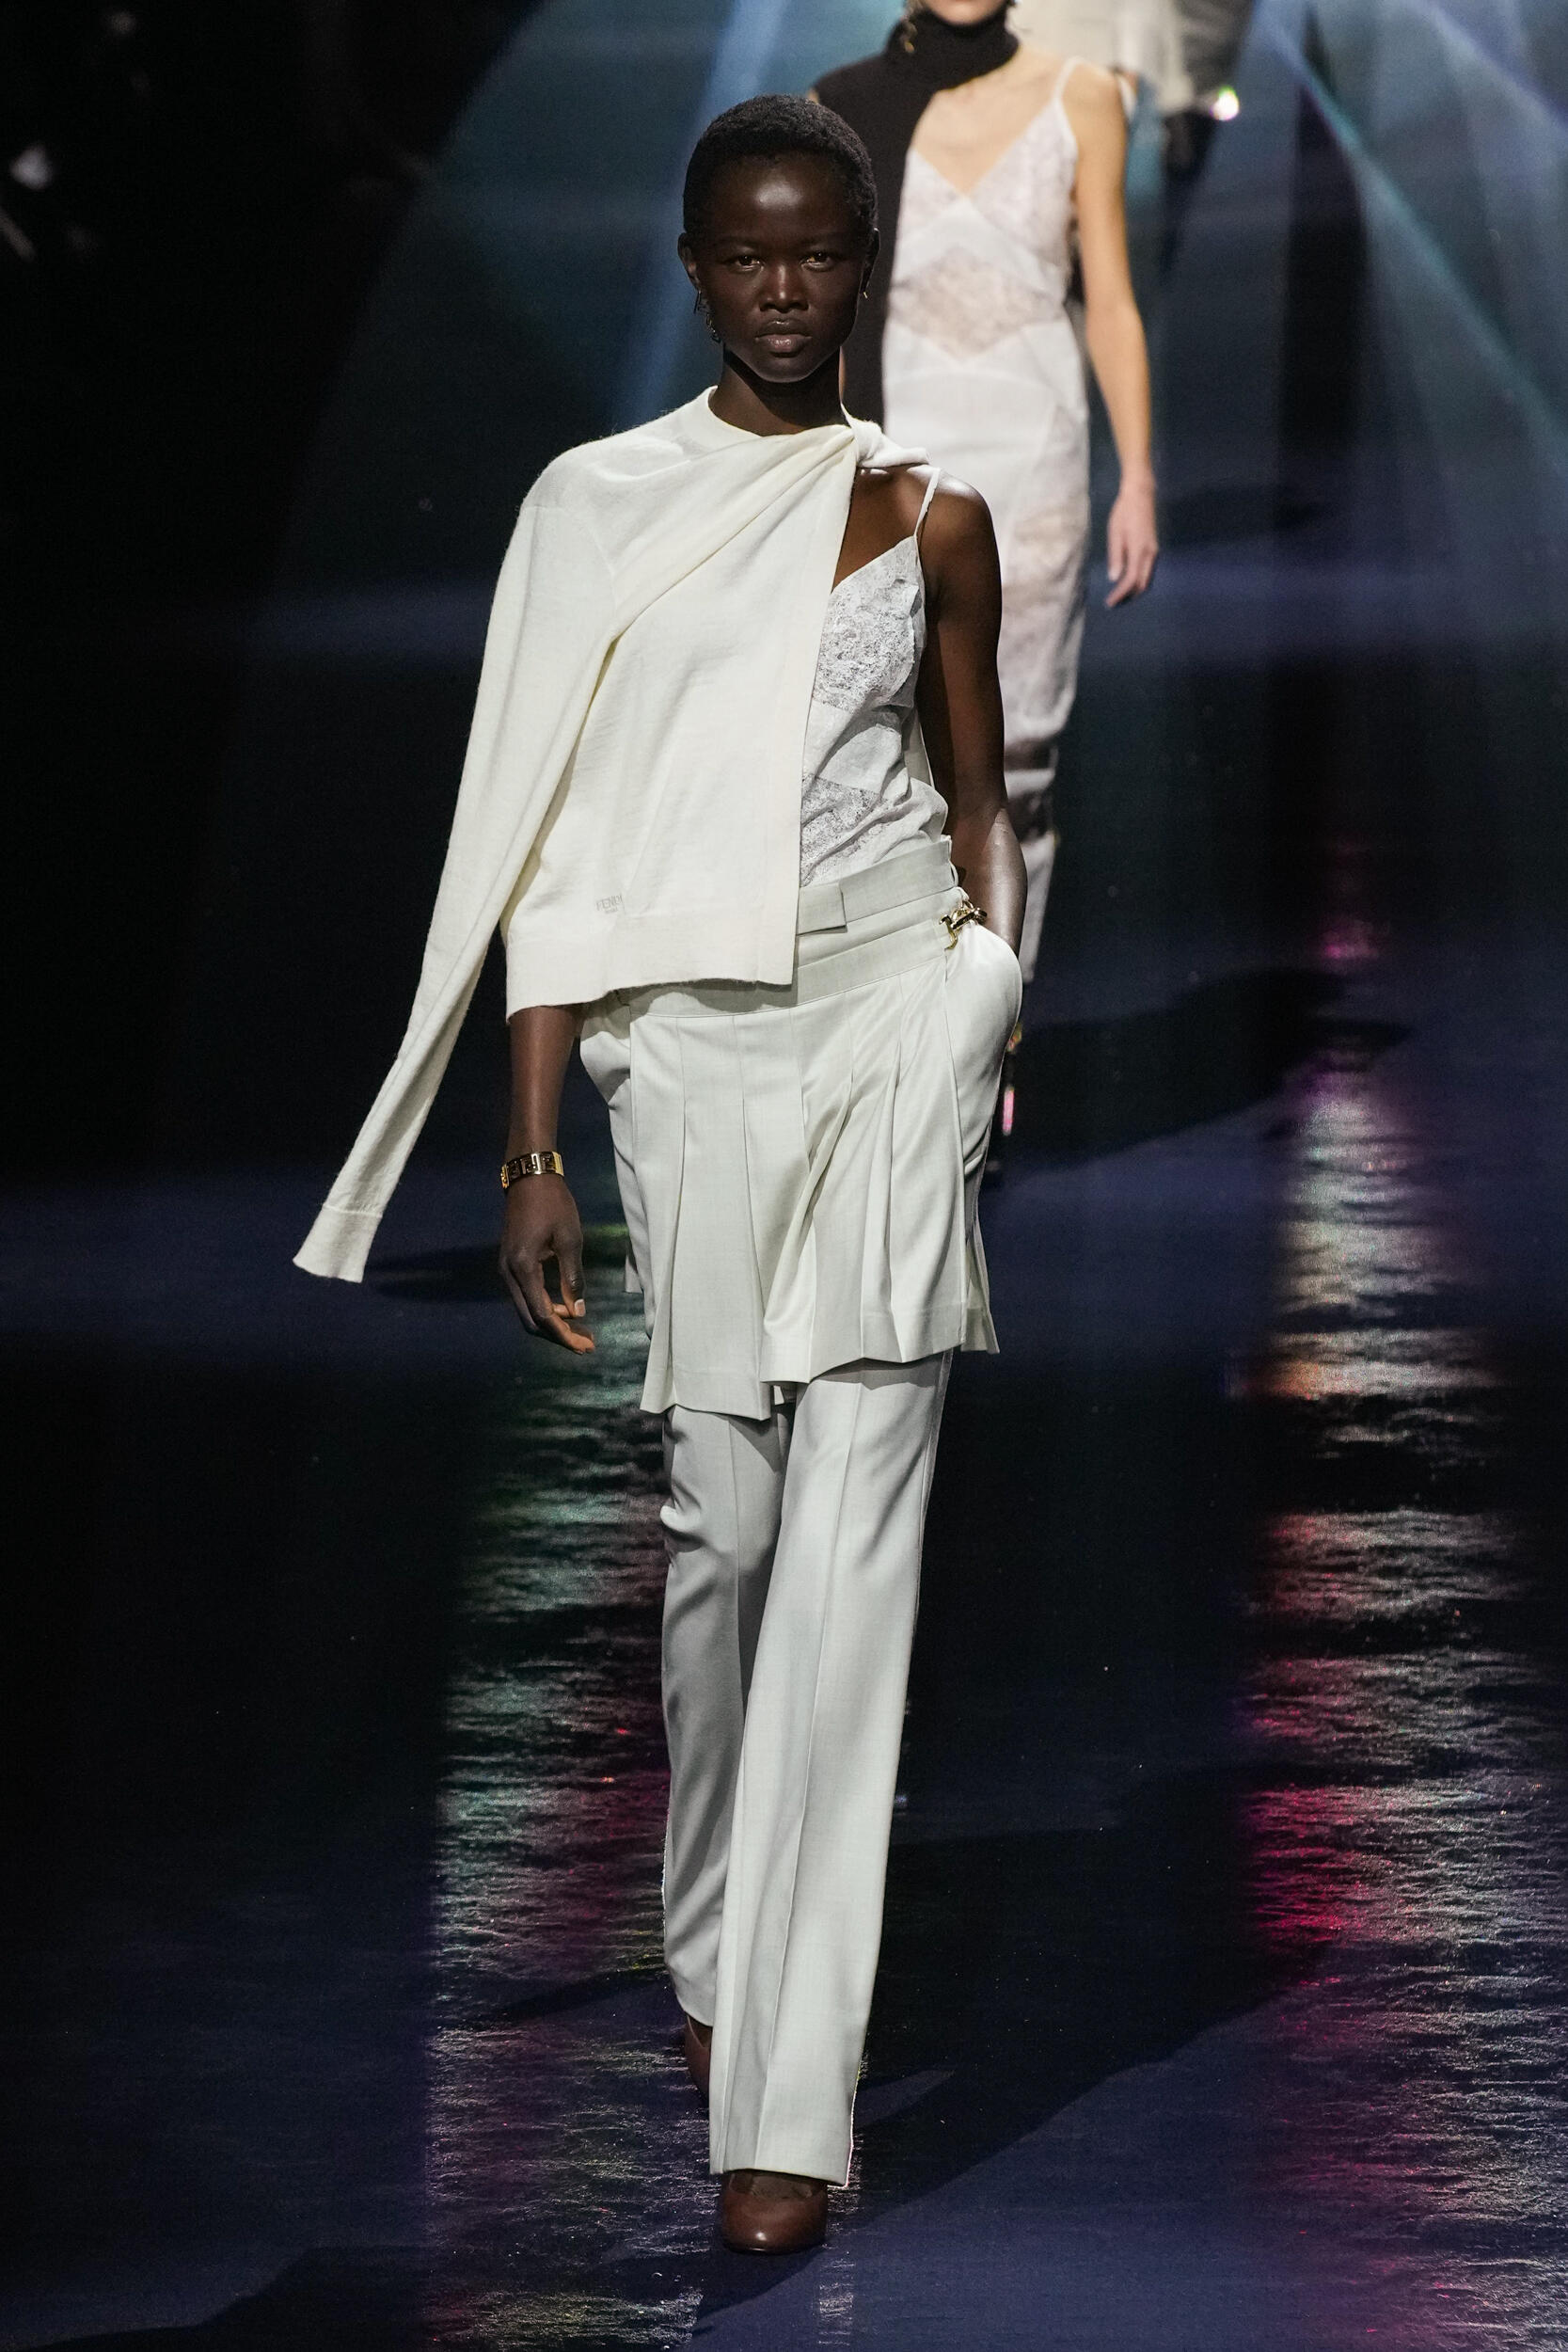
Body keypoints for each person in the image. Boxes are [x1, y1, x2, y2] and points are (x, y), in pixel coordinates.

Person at [294, 96, 1024, 2255]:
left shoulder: (933, 512)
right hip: (684, 1060)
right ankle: (708, 1928)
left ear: (861, 263)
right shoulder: (598, 506)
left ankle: (786, 2096)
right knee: (721, 1531)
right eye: (748, 252)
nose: (786, 287)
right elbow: (553, 831)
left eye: (819, 251)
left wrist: (985, 1000)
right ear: (696, 265)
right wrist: (529, 1140)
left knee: (854, 1568)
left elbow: (975, 790)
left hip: (890, 1025)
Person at [816, 0, 1158, 1009]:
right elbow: (819, 319)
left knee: (1012, 756)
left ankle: (995, 1020)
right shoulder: (843, 107)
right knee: (885, 750)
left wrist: (1137, 478)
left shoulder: (1082, 95)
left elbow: (1111, 301)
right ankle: (901, 1016)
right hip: (894, 469)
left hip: (1034, 469)